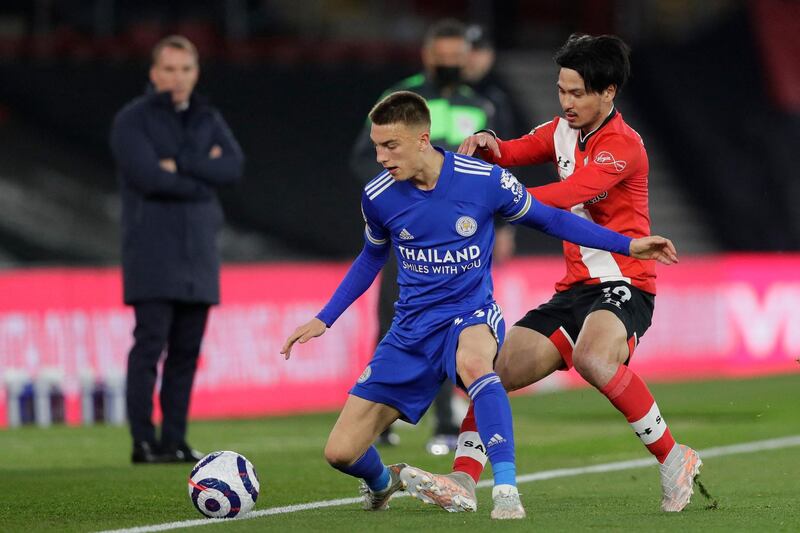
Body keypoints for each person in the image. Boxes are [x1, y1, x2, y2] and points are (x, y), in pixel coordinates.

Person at [281, 90, 678, 519]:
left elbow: (552, 219)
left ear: (422, 139)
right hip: (411, 330)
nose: (380, 157)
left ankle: (505, 489)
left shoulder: (483, 180)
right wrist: (325, 318)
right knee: (340, 452)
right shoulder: (378, 195)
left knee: (477, 366)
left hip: (470, 315)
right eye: (376, 146)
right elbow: (371, 257)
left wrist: (629, 245)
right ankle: (383, 482)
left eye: (390, 145)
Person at [398, 34, 702, 514]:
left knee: (594, 360)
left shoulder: (622, 147)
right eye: (561, 91)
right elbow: (515, 150)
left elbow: (567, 194)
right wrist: (489, 144)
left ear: (608, 93)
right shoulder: (562, 128)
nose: (566, 102)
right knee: (492, 373)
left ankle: (673, 458)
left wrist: (495, 198)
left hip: (625, 284)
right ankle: (462, 479)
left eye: (577, 93)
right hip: (574, 290)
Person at [350, 18, 501, 452]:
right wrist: (393, 202)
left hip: (463, 234)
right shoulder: (400, 101)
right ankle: (381, 413)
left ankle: (445, 423)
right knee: (396, 317)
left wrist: (503, 224)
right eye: (444, 56)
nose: (451, 62)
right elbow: (364, 156)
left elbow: (495, 170)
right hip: (411, 231)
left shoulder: (482, 106)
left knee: (457, 321)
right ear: (428, 56)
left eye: (458, 56)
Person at [110, 35, 244, 464]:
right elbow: (148, 176)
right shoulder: (132, 119)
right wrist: (203, 175)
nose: (178, 77)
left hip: (199, 252)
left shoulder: (207, 115)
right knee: (149, 346)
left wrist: (180, 163)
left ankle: (175, 439)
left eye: (185, 69)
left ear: (196, 71)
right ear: (153, 73)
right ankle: (141, 441)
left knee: (186, 352)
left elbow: (234, 166)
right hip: (151, 250)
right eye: (169, 69)